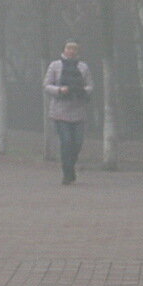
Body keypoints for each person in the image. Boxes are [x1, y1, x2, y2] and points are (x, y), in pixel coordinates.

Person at [43, 41, 94, 184]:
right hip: (60, 111)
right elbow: (46, 85)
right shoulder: (55, 66)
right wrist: (60, 90)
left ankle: (70, 166)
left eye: (74, 49)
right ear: (64, 50)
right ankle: (67, 173)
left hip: (78, 110)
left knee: (77, 143)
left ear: (77, 51)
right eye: (68, 48)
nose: (71, 51)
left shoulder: (83, 67)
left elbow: (90, 85)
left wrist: (84, 91)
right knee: (66, 141)